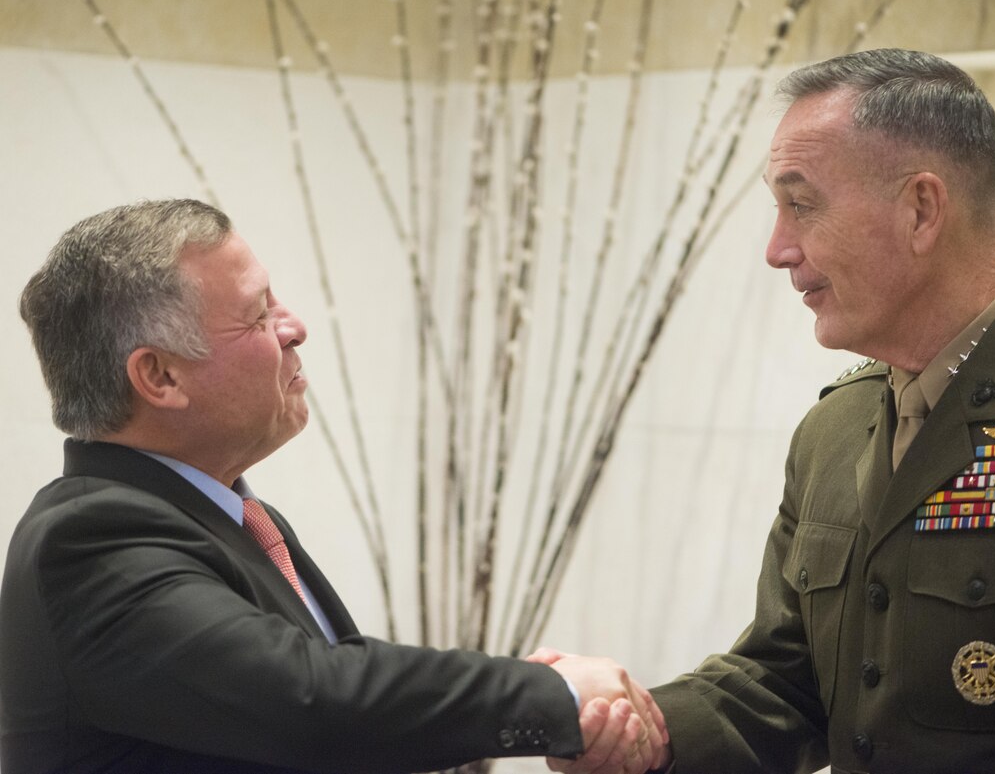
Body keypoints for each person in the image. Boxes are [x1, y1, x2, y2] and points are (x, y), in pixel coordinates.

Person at [545, 47, 995, 773]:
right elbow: (783, 680)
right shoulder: (835, 428)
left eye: (800, 204)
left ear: (921, 210)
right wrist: (639, 731)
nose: (777, 248)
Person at [0, 199, 667, 774]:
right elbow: (308, 699)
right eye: (258, 316)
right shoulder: (91, 539)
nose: (295, 328)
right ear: (161, 377)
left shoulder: (231, 517)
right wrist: (552, 694)